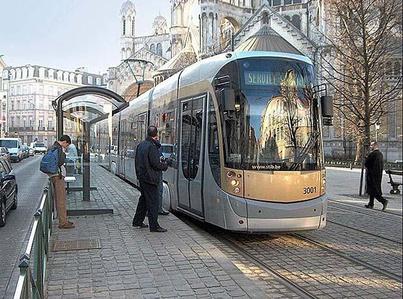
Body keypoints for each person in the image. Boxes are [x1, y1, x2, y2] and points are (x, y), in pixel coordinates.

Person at [132, 126, 168, 232]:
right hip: (150, 179)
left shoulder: (141, 145)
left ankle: (137, 221)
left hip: (142, 177)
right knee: (153, 202)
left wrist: (139, 175)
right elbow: (156, 164)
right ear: (156, 135)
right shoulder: (152, 147)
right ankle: (154, 226)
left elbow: (137, 161)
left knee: (143, 199)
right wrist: (165, 165)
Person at [49, 135, 75, 229]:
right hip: (58, 176)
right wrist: (63, 154)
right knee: (61, 200)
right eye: (66, 145)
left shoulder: (53, 147)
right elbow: (60, 162)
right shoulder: (58, 148)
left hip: (54, 175)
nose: (66, 147)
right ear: (64, 142)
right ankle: (63, 222)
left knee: (60, 200)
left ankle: (63, 220)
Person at [364, 141, 388, 211]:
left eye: (371, 146)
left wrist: (366, 158)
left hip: (372, 175)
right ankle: (371, 204)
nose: (370, 147)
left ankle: (383, 201)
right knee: (373, 189)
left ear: (375, 146)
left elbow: (367, 164)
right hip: (378, 175)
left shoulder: (373, 154)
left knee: (374, 191)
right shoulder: (380, 154)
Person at [158, 146, 170, 216]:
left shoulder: (147, 146)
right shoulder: (155, 148)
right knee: (158, 192)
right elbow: (159, 162)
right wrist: (165, 164)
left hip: (149, 175)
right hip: (156, 174)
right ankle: (159, 209)